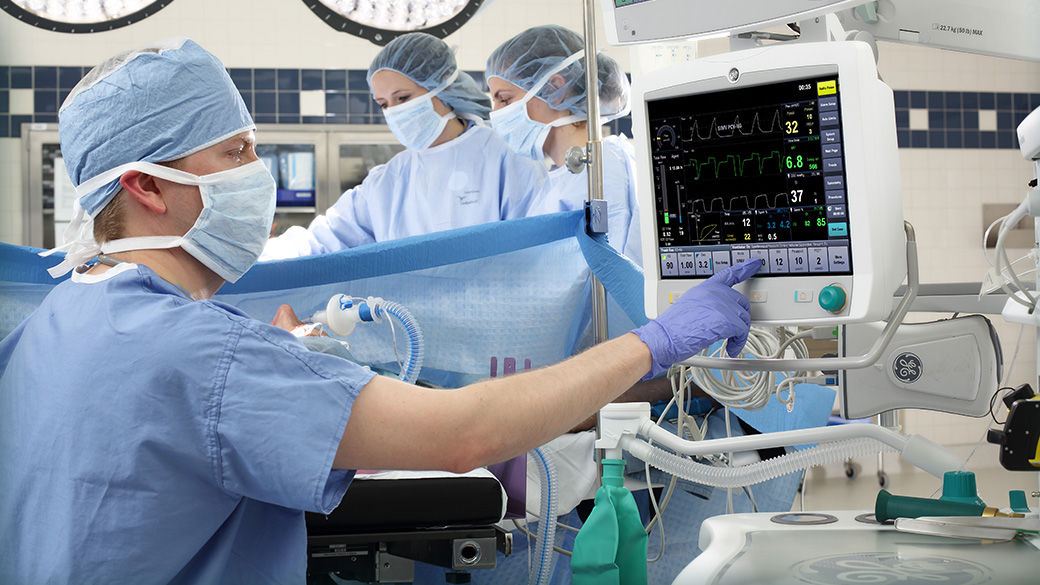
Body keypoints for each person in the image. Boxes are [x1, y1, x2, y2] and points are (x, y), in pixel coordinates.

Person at [0, 38, 760, 584]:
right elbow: (466, 435)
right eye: (235, 154)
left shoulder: (53, 322)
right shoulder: (204, 355)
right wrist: (656, 339)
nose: (258, 173)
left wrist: (278, 366)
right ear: (146, 186)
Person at [260, 33, 548, 260]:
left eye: (403, 98)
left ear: (441, 87)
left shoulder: (505, 158)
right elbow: (322, 240)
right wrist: (256, 257)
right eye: (384, 104)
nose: (395, 111)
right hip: (407, 318)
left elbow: (537, 250)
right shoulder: (390, 180)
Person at [486, 25, 642, 265]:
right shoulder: (560, 177)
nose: (496, 113)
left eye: (505, 99)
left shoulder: (603, 167)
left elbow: (614, 271)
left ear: (555, 88)